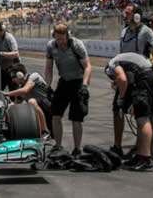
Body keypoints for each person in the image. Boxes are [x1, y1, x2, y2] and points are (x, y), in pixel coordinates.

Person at [111, 3, 153, 159]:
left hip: (140, 77)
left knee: (140, 113)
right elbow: (121, 53)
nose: (124, 15)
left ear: (136, 16)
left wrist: (150, 69)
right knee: (117, 109)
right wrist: (116, 77)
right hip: (125, 76)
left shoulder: (146, 31)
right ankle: (117, 146)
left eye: (127, 13)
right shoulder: (124, 32)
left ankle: (140, 150)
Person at [105, 52, 153, 171]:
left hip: (145, 76)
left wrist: (121, 97)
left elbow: (123, 79)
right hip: (152, 74)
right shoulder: (124, 62)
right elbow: (129, 80)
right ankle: (140, 155)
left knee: (142, 117)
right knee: (139, 114)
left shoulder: (112, 65)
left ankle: (146, 158)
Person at [45, 23, 91, 158]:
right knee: (55, 114)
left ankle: (77, 148)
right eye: (58, 39)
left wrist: (84, 86)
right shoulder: (51, 46)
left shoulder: (76, 45)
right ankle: (58, 145)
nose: (60, 42)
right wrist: (47, 86)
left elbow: (88, 67)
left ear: (68, 36)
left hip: (78, 82)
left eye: (63, 39)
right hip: (64, 81)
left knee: (76, 118)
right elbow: (48, 68)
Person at [7, 63, 52, 137]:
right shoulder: (19, 88)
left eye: (13, 77)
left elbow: (25, 90)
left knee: (31, 101)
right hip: (38, 113)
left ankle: (45, 131)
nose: (12, 80)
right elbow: (16, 103)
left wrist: (6, 93)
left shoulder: (34, 76)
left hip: (48, 108)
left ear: (20, 75)